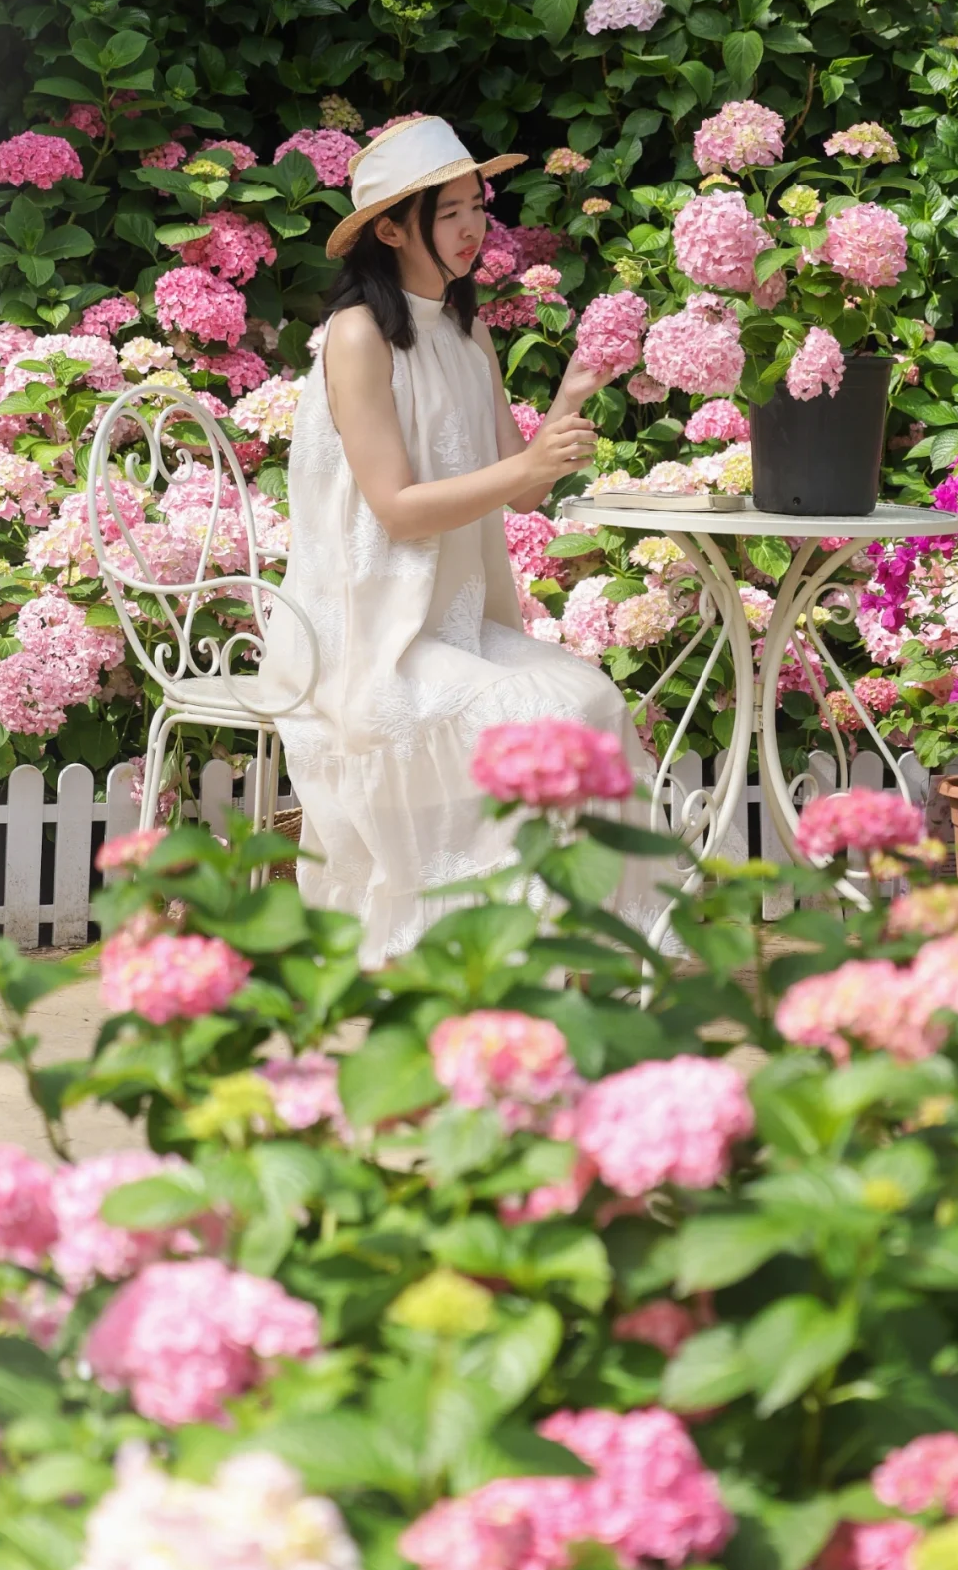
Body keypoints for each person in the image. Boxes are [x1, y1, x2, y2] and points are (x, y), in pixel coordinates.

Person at [256, 114, 662, 965]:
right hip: (366, 633)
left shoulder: (469, 332)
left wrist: (571, 401)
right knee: (539, 715)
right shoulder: (358, 337)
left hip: (450, 624)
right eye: (449, 213)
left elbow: (519, 481)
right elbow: (399, 509)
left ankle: (582, 946)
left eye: (477, 205)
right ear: (392, 228)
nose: (474, 227)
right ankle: (485, 946)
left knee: (591, 698)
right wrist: (526, 469)